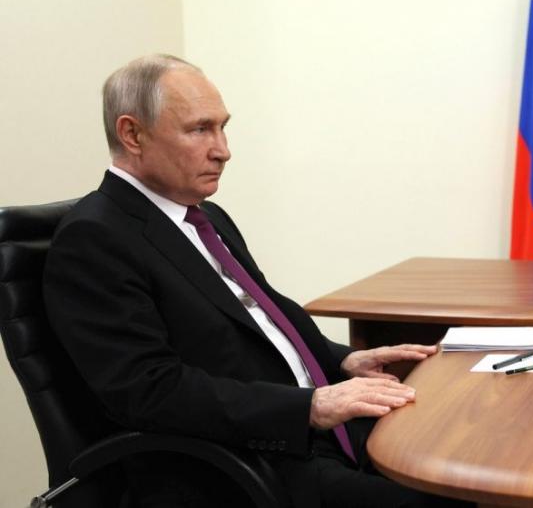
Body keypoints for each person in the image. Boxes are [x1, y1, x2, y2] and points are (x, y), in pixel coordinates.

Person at [44, 54, 456, 507]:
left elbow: (263, 326)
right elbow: (150, 391)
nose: (223, 150)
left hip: (304, 434)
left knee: (454, 442)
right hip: (239, 466)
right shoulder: (95, 237)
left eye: (223, 128)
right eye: (200, 129)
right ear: (132, 134)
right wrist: (312, 407)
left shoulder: (205, 217)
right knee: (453, 496)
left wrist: (344, 361)